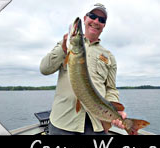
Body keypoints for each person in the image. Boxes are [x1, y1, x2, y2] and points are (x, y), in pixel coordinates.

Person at [40, 3, 127, 135]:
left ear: (104, 26)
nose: (96, 21)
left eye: (101, 20)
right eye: (93, 16)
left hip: (97, 124)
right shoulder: (65, 46)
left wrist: (115, 108)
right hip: (63, 123)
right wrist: (63, 49)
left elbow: (111, 88)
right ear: (86, 19)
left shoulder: (109, 56)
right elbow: (44, 69)